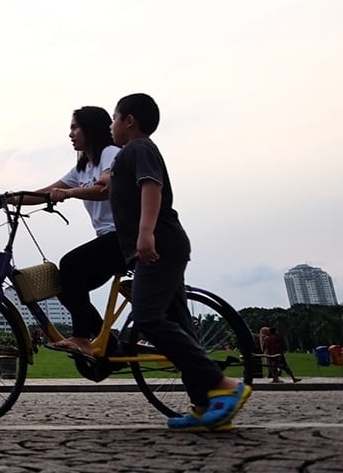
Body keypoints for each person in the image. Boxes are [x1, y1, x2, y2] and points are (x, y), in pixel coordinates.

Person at [108, 93, 251, 431]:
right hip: (163, 245)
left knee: (147, 317)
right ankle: (206, 405)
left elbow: (151, 187)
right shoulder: (129, 154)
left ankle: (226, 387)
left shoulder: (138, 148)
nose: (111, 125)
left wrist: (145, 234)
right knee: (178, 325)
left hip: (160, 245)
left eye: (114, 118)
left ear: (130, 121)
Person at [0, 106, 124, 358]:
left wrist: (69, 193)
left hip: (123, 237)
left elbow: (105, 188)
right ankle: (109, 347)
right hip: (108, 241)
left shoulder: (109, 153)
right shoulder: (82, 169)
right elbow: (44, 193)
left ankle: (82, 338)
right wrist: (9, 198)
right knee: (64, 284)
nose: (70, 133)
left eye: (75, 127)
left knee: (70, 264)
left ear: (91, 129)